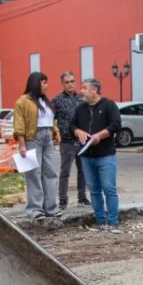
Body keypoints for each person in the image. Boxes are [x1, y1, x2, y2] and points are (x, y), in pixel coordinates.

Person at [69, 78, 123, 233]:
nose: (81, 91)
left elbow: (116, 125)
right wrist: (78, 132)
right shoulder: (80, 108)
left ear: (94, 90)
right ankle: (100, 220)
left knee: (109, 188)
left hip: (105, 155)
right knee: (93, 190)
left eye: (84, 88)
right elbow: (72, 125)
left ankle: (113, 222)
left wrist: (99, 136)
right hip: (87, 156)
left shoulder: (109, 105)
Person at [12, 71, 61, 219]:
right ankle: (35, 210)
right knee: (34, 174)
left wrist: (56, 132)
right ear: (35, 83)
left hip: (48, 138)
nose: (46, 86)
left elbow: (50, 119)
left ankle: (51, 208)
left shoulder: (45, 101)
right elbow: (19, 124)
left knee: (50, 172)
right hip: (32, 138)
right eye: (44, 82)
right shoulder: (23, 101)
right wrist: (22, 144)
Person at [51, 70, 89, 208]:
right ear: (62, 83)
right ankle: (63, 199)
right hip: (67, 141)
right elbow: (50, 120)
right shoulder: (56, 101)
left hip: (82, 141)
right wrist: (56, 133)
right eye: (67, 82)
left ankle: (82, 197)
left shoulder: (82, 99)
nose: (70, 84)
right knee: (65, 171)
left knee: (83, 170)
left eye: (72, 81)